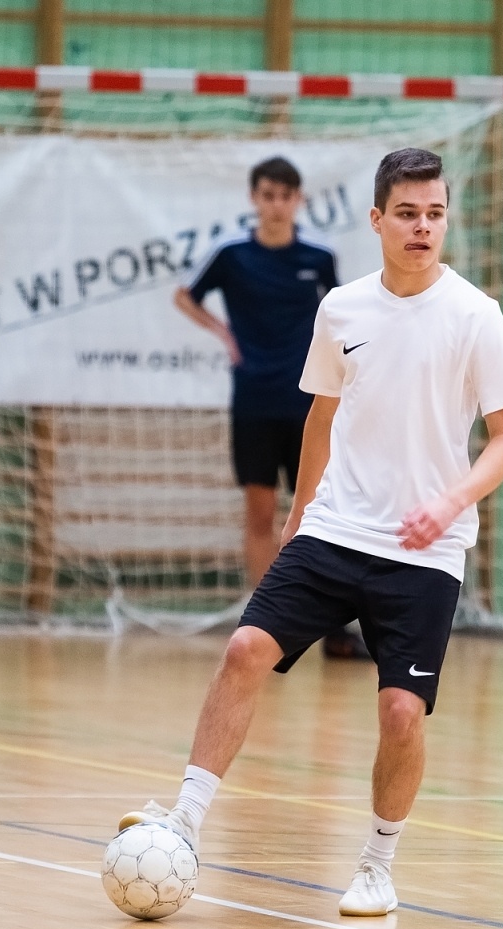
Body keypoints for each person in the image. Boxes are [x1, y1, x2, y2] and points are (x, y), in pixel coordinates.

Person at [124, 147, 503, 917]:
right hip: (337, 527)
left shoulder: (477, 317)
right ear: (378, 220)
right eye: (407, 213)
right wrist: (301, 509)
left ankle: (377, 865)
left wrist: (451, 502)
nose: (422, 227)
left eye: (435, 214)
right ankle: (182, 823)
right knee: (245, 649)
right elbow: (322, 414)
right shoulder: (341, 308)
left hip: (426, 549)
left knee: (400, 712)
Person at [174, 155, 366, 657]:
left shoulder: (318, 259)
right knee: (260, 513)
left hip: (311, 405)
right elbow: (185, 296)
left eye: (286, 195)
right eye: (268, 195)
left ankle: (331, 628)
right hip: (255, 401)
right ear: (254, 199)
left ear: (298, 200)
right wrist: (223, 334)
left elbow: (343, 317)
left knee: (321, 512)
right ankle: (266, 622)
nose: (277, 204)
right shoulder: (233, 257)